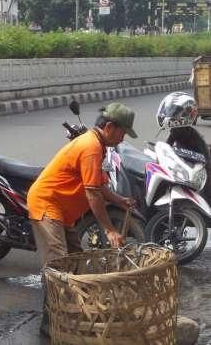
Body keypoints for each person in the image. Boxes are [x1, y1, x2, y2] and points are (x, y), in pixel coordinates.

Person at [27, 102, 137, 336]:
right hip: (48, 205)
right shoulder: (91, 147)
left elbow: (99, 185)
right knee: (58, 266)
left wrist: (120, 200)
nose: (123, 138)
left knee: (75, 260)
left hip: (63, 212)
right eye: (123, 132)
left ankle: (73, 312)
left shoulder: (98, 145)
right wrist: (109, 230)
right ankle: (50, 323)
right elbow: (92, 193)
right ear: (109, 127)